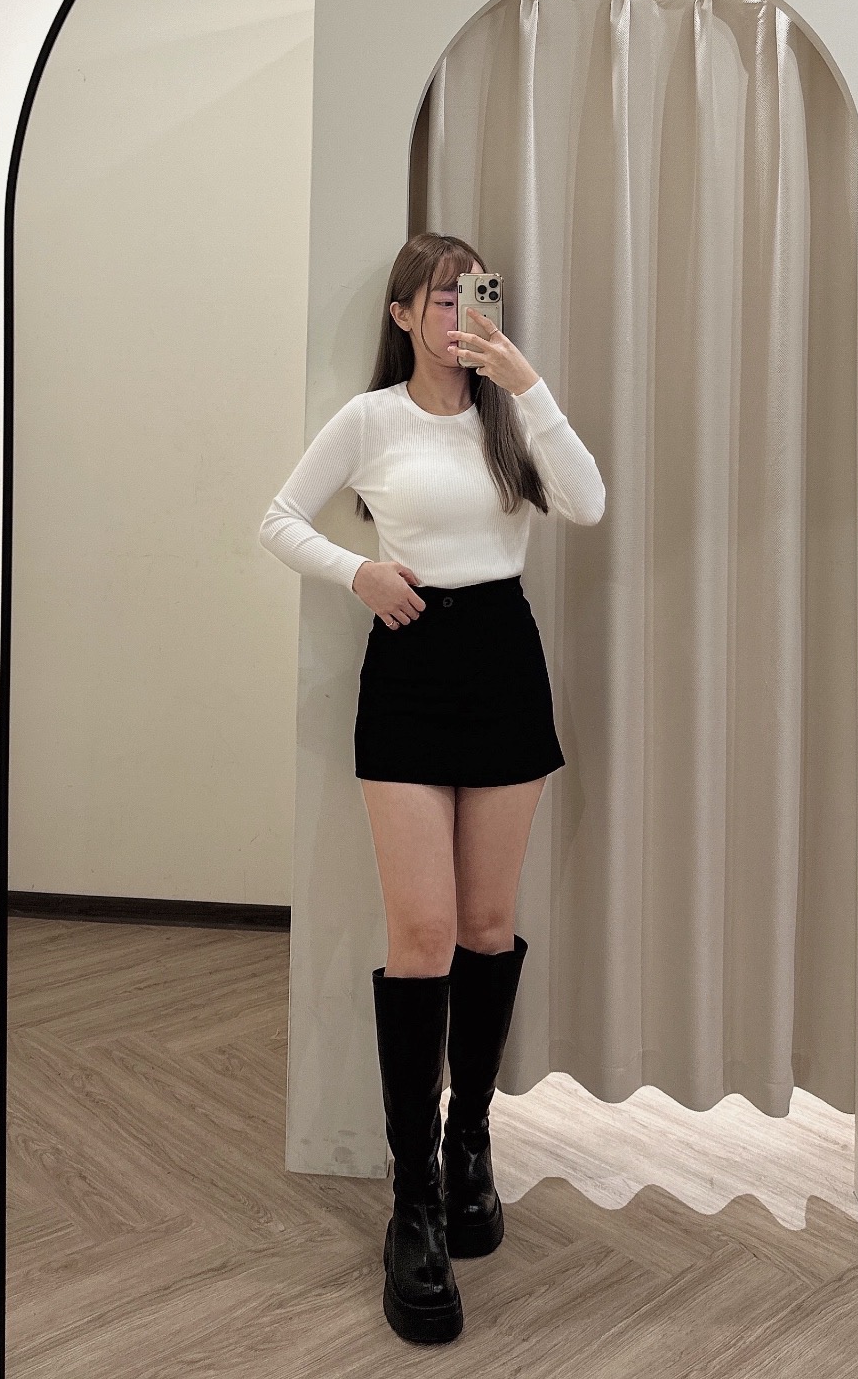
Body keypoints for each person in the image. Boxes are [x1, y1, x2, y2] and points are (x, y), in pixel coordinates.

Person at [259, 231, 605, 1344]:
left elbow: (588, 502)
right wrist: (357, 571)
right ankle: (411, 1198)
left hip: (502, 659)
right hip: (408, 667)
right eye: (440, 298)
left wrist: (526, 381)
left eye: (474, 295)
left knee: (489, 926)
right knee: (421, 932)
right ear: (403, 313)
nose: (458, 313)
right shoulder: (370, 420)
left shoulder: (510, 416)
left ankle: (471, 1144)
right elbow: (276, 518)